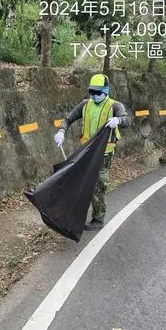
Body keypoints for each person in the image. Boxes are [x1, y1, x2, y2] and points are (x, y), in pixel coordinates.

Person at [54, 73, 130, 230]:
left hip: (104, 154)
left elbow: (127, 120)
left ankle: (98, 219)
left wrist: (119, 120)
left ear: (106, 91)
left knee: (99, 185)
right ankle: (74, 215)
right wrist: (61, 131)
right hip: (86, 152)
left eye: (98, 93)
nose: (94, 96)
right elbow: (68, 119)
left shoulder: (115, 106)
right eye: (91, 92)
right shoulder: (85, 105)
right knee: (80, 183)